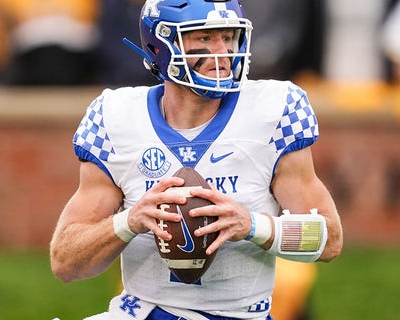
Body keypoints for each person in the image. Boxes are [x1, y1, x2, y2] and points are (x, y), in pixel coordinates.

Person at [49, 1, 343, 319]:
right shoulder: (117, 118)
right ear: (161, 45)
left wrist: (254, 226)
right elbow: (65, 262)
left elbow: (329, 239)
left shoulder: (273, 111)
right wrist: (129, 222)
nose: (222, 53)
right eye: (204, 39)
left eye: (228, 37)